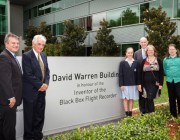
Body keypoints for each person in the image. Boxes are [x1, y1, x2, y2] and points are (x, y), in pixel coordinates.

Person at [22, 34, 50, 140]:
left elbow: (47, 71)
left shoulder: (44, 55)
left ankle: (38, 136)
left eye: (43, 45)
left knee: (40, 116)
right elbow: (28, 74)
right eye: (39, 44)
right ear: (33, 44)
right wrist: (40, 85)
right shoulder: (27, 56)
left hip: (42, 92)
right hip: (31, 93)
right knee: (29, 118)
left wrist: (46, 83)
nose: (41, 46)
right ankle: (29, 138)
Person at [0, 33, 22, 140]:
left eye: (17, 43)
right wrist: (11, 97)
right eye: (13, 43)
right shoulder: (4, 57)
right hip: (8, 102)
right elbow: (4, 79)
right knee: (8, 131)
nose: (16, 45)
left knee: (6, 129)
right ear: (6, 44)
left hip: (10, 101)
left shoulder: (11, 56)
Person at [140, 45, 164, 113]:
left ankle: (151, 113)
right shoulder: (143, 61)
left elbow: (161, 73)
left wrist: (161, 84)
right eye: (148, 50)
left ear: (154, 51)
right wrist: (140, 84)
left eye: (151, 50)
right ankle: (149, 114)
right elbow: (141, 73)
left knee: (150, 98)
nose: (150, 51)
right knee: (147, 98)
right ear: (146, 52)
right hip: (145, 84)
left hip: (154, 83)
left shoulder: (158, 60)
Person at [119, 47, 141, 116]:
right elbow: (121, 74)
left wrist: (138, 84)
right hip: (125, 84)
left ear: (133, 53)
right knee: (125, 99)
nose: (130, 54)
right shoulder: (122, 63)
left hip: (133, 84)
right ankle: (126, 113)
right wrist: (121, 84)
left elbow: (138, 75)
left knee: (131, 99)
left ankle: (130, 113)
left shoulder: (136, 63)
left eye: (131, 52)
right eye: (128, 53)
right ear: (126, 53)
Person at [163, 44, 180, 118]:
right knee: (171, 97)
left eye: (173, 49)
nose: (171, 51)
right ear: (168, 51)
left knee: (179, 96)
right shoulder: (166, 60)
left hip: (178, 80)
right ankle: (173, 114)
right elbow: (165, 69)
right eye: (170, 49)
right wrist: (169, 75)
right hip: (169, 81)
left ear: (176, 50)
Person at [134, 37, 148, 114]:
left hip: (149, 77)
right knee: (141, 94)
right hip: (140, 77)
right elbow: (135, 66)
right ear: (139, 43)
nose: (143, 44)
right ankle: (142, 111)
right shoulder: (136, 53)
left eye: (144, 42)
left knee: (149, 94)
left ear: (147, 42)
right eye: (141, 42)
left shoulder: (151, 51)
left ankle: (149, 111)